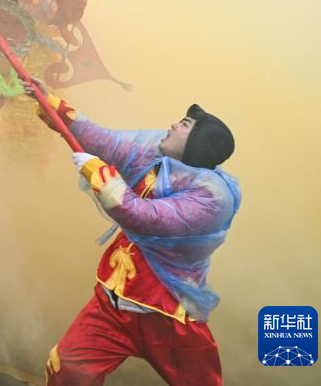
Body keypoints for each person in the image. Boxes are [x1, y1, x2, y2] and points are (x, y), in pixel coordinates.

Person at [22, 79, 240, 386]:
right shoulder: (156, 154)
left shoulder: (212, 197)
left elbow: (144, 217)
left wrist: (98, 173)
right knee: (67, 369)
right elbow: (106, 142)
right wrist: (51, 103)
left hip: (166, 313)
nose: (172, 125)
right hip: (113, 301)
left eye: (183, 124)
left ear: (197, 144)